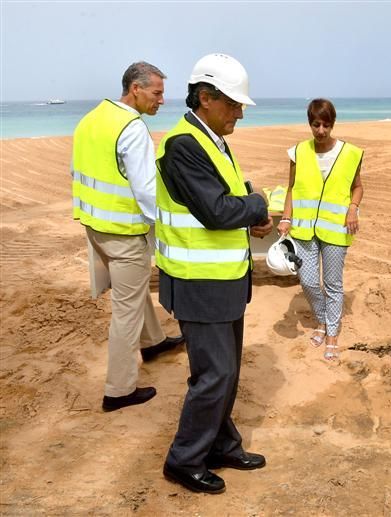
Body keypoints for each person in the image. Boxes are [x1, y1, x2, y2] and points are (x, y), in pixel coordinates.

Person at [156, 53, 273, 494]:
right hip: (197, 282)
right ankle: (184, 460)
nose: (240, 113)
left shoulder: (213, 140)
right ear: (205, 98)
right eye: (234, 104)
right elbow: (215, 210)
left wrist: (250, 214)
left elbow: (229, 197)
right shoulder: (184, 144)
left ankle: (222, 443)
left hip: (222, 280)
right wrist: (257, 204)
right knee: (214, 374)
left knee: (226, 371)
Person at [71, 61, 184, 413]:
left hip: (94, 227)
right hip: (123, 234)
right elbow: (147, 190)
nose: (162, 101)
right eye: (157, 93)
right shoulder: (133, 129)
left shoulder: (92, 118)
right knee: (126, 310)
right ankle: (118, 390)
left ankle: (154, 342)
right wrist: (166, 226)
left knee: (131, 293)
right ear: (136, 89)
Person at [277, 99, 364, 361]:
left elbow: (357, 187)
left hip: (337, 228)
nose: (321, 131)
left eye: (326, 125)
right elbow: (292, 188)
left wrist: (352, 209)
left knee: (334, 284)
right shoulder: (298, 152)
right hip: (304, 228)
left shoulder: (351, 153)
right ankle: (323, 320)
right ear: (309, 123)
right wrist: (286, 218)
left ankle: (332, 332)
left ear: (333, 124)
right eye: (316, 124)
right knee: (308, 280)